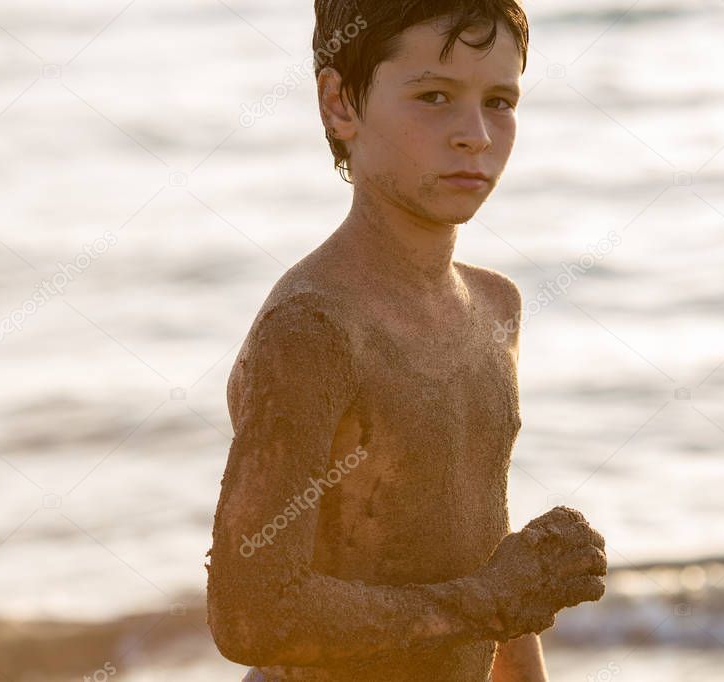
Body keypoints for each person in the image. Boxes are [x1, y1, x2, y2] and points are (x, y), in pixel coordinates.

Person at [204, 1, 607, 680]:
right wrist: (492, 599)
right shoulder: (313, 329)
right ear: (340, 104)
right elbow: (253, 613)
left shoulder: (493, 305)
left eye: (500, 100)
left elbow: (487, 569)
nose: (474, 134)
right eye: (434, 96)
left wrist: (504, 603)